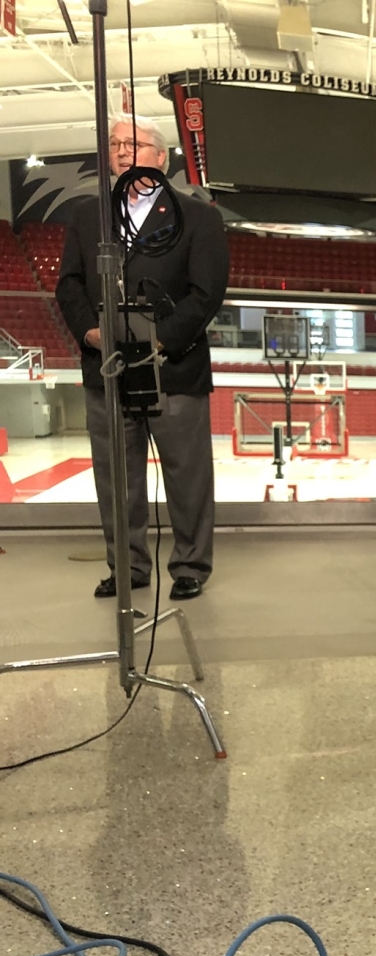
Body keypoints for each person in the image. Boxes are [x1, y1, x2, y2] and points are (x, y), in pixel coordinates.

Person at [56, 116, 228, 601]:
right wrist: (90, 331)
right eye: (115, 144)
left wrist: (159, 341)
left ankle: (191, 565)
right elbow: (68, 283)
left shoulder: (199, 217)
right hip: (106, 369)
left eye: (133, 143)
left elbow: (206, 292)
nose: (122, 151)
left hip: (172, 367)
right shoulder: (90, 215)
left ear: (160, 156)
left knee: (186, 476)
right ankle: (127, 567)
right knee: (116, 477)